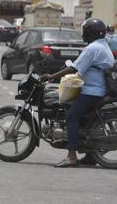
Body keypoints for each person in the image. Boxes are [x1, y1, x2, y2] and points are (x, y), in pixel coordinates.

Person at [41, 18, 114, 167]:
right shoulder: (104, 45)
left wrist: (51, 76)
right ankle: (90, 156)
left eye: (85, 31)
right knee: (82, 117)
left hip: (92, 91)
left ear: (90, 33)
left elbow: (74, 68)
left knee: (71, 115)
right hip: (100, 90)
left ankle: (71, 156)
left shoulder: (92, 48)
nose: (83, 33)